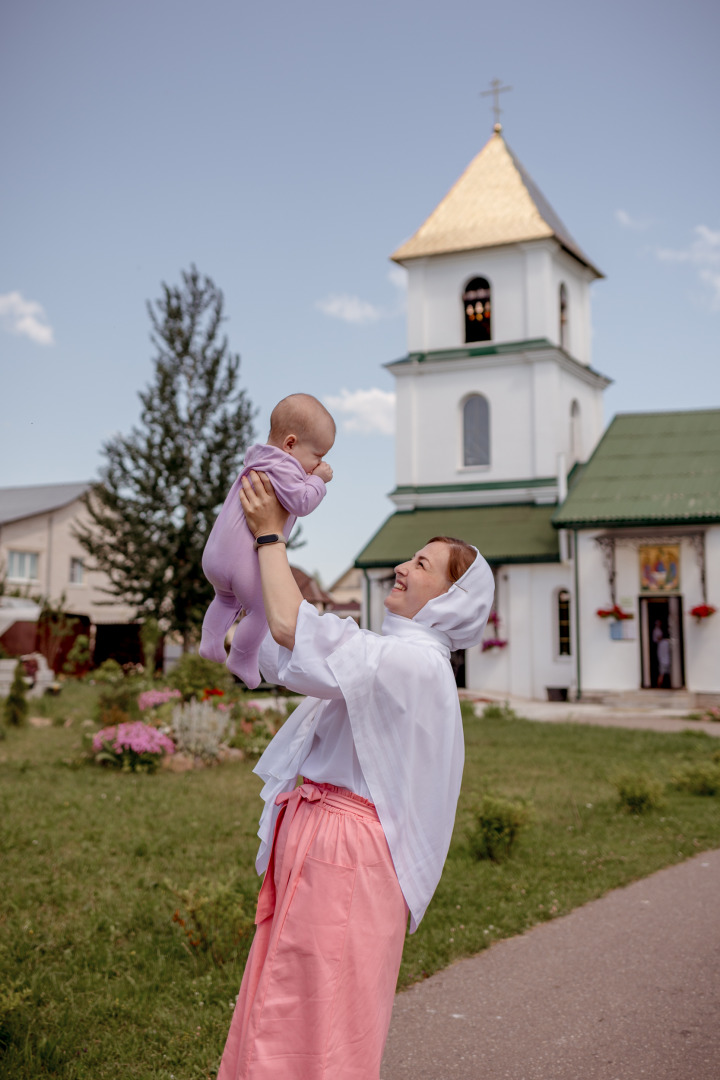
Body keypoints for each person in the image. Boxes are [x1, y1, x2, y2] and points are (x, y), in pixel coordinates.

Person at [216, 469, 494, 1080]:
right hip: (327, 844)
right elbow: (297, 654)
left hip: (344, 852)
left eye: (422, 565)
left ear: (449, 598)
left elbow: (297, 632)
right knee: (292, 1004)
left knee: (313, 1019)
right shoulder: (394, 657)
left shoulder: (411, 663)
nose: (402, 567)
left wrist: (269, 538)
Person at [199, 394, 335, 688]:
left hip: (214, 557)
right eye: (317, 455)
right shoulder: (284, 466)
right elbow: (301, 502)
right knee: (262, 609)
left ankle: (210, 643)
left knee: (224, 599)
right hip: (242, 563)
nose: (320, 463)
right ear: (290, 444)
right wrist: (319, 481)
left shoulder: (257, 460)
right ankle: (242, 657)